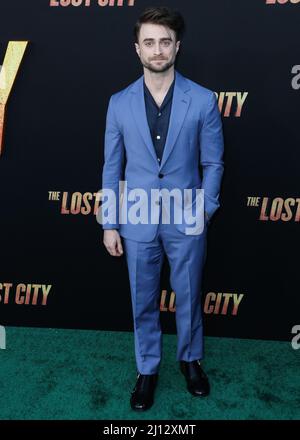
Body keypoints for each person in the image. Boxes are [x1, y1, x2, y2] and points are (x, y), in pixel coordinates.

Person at [100, 6, 224, 411]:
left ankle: (191, 361)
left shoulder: (203, 100)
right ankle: (147, 369)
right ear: (137, 49)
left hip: (186, 216)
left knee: (188, 294)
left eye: (165, 42)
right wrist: (110, 223)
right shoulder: (118, 103)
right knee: (142, 298)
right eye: (149, 42)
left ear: (177, 47)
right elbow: (111, 165)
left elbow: (213, 163)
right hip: (136, 218)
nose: (158, 50)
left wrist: (204, 210)